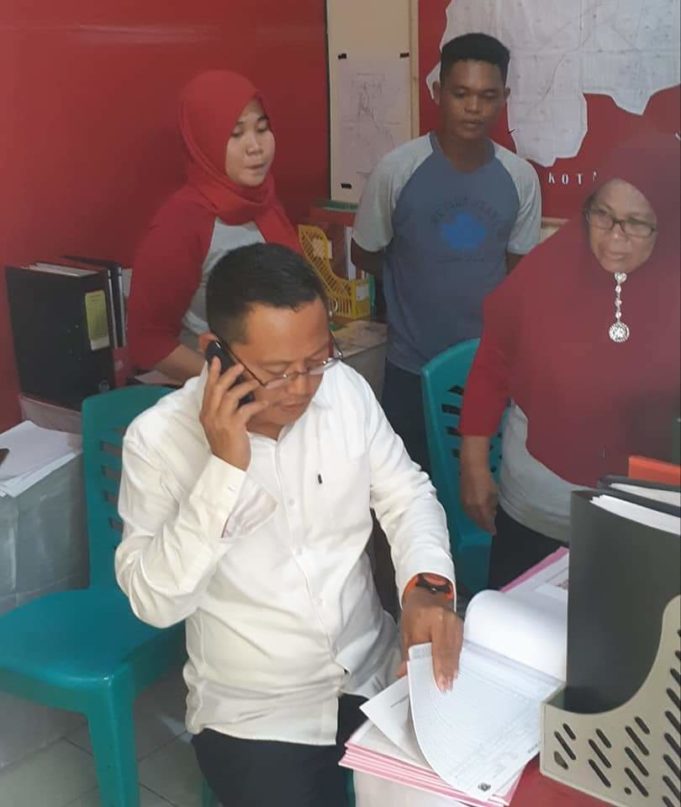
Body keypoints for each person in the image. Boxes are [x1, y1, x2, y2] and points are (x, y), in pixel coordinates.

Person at [115, 243, 463, 807]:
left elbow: (406, 493)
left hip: (371, 669)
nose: (302, 387)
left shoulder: (344, 392)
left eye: (317, 360)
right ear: (215, 354)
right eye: (278, 373)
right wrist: (224, 470)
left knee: (458, 788)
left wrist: (426, 586)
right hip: (257, 712)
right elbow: (155, 602)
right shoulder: (157, 442)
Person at [459, 134, 681, 589]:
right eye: (603, 215)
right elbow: (493, 361)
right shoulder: (549, 268)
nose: (615, 237)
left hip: (640, 512)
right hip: (539, 507)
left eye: (637, 223)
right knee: (522, 622)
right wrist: (474, 462)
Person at [351, 33, 541, 472]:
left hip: (487, 367)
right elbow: (365, 253)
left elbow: (516, 271)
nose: (474, 107)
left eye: (487, 96)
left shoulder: (519, 178)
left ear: (504, 98)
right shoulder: (397, 170)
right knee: (404, 486)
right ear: (438, 93)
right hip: (410, 368)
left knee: (480, 486)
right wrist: (416, 275)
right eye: (461, 93)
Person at [126, 70, 300, 383]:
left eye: (262, 129)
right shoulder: (181, 224)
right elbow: (148, 342)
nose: (255, 146)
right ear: (204, 140)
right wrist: (234, 382)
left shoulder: (265, 202)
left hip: (288, 381)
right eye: (235, 134)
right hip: (222, 394)